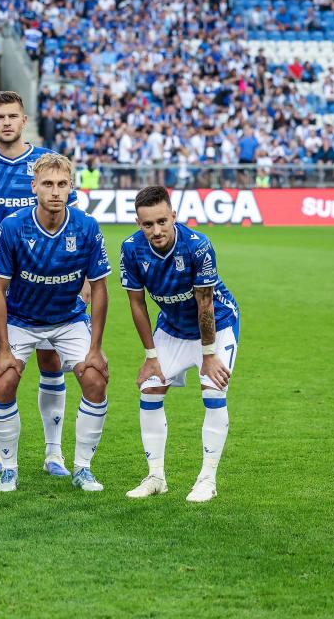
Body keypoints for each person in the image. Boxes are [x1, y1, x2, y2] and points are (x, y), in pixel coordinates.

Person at [0, 91, 80, 478]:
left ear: (24, 120)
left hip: (47, 283)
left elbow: (69, 215)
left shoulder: (44, 165)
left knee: (51, 360)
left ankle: (54, 452)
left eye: (13, 116)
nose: (6, 122)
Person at [0, 153, 111, 493]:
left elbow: (100, 289)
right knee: (4, 381)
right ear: (34, 187)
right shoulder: (13, 227)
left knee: (95, 379)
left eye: (61, 185)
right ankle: (9, 467)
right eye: (47, 184)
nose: (55, 191)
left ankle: (83, 468)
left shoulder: (86, 226)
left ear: (71, 187)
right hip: (22, 319)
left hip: (68, 318)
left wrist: (96, 348)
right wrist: (2, 348)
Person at [120, 185, 239, 503]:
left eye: (162, 221)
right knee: (150, 389)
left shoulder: (198, 246)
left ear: (173, 216)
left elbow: (205, 304)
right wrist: (150, 355)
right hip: (172, 328)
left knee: (213, 390)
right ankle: (156, 476)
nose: (156, 230)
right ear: (138, 223)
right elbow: (137, 304)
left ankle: (206, 480)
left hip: (217, 325)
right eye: (148, 224)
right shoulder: (131, 249)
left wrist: (209, 355)